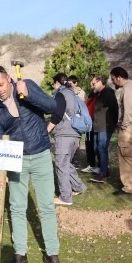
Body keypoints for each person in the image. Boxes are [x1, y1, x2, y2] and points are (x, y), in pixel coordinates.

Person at [0, 65, 64, 263]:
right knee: (17, 207)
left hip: (40, 154)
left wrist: (28, 95)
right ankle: (20, 252)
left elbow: (52, 106)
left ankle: (52, 254)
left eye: (0, 84)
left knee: (46, 205)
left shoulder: (26, 85)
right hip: (14, 159)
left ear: (9, 78)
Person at [48, 73, 87, 206]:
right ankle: (78, 186)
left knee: (61, 165)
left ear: (57, 83)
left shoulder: (61, 93)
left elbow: (57, 115)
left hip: (64, 134)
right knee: (66, 163)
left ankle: (65, 197)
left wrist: (46, 130)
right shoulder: (73, 93)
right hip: (75, 134)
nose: (54, 87)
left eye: (54, 84)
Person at [111, 66, 132, 196]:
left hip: (129, 128)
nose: (113, 82)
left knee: (125, 156)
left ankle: (129, 187)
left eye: (113, 79)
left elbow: (128, 111)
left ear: (119, 77)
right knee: (130, 156)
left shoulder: (128, 88)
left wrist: (122, 126)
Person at [89, 75, 119, 183]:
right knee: (96, 148)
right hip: (97, 126)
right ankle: (104, 169)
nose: (92, 86)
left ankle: (103, 173)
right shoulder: (99, 94)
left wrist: (114, 123)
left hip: (105, 127)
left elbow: (115, 110)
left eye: (94, 83)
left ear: (101, 82)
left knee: (102, 148)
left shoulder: (108, 94)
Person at [81, 84, 99, 174]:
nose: (92, 86)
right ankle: (91, 164)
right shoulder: (91, 96)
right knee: (89, 145)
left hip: (96, 124)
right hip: (89, 124)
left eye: (93, 84)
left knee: (97, 146)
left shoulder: (100, 97)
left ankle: (99, 166)